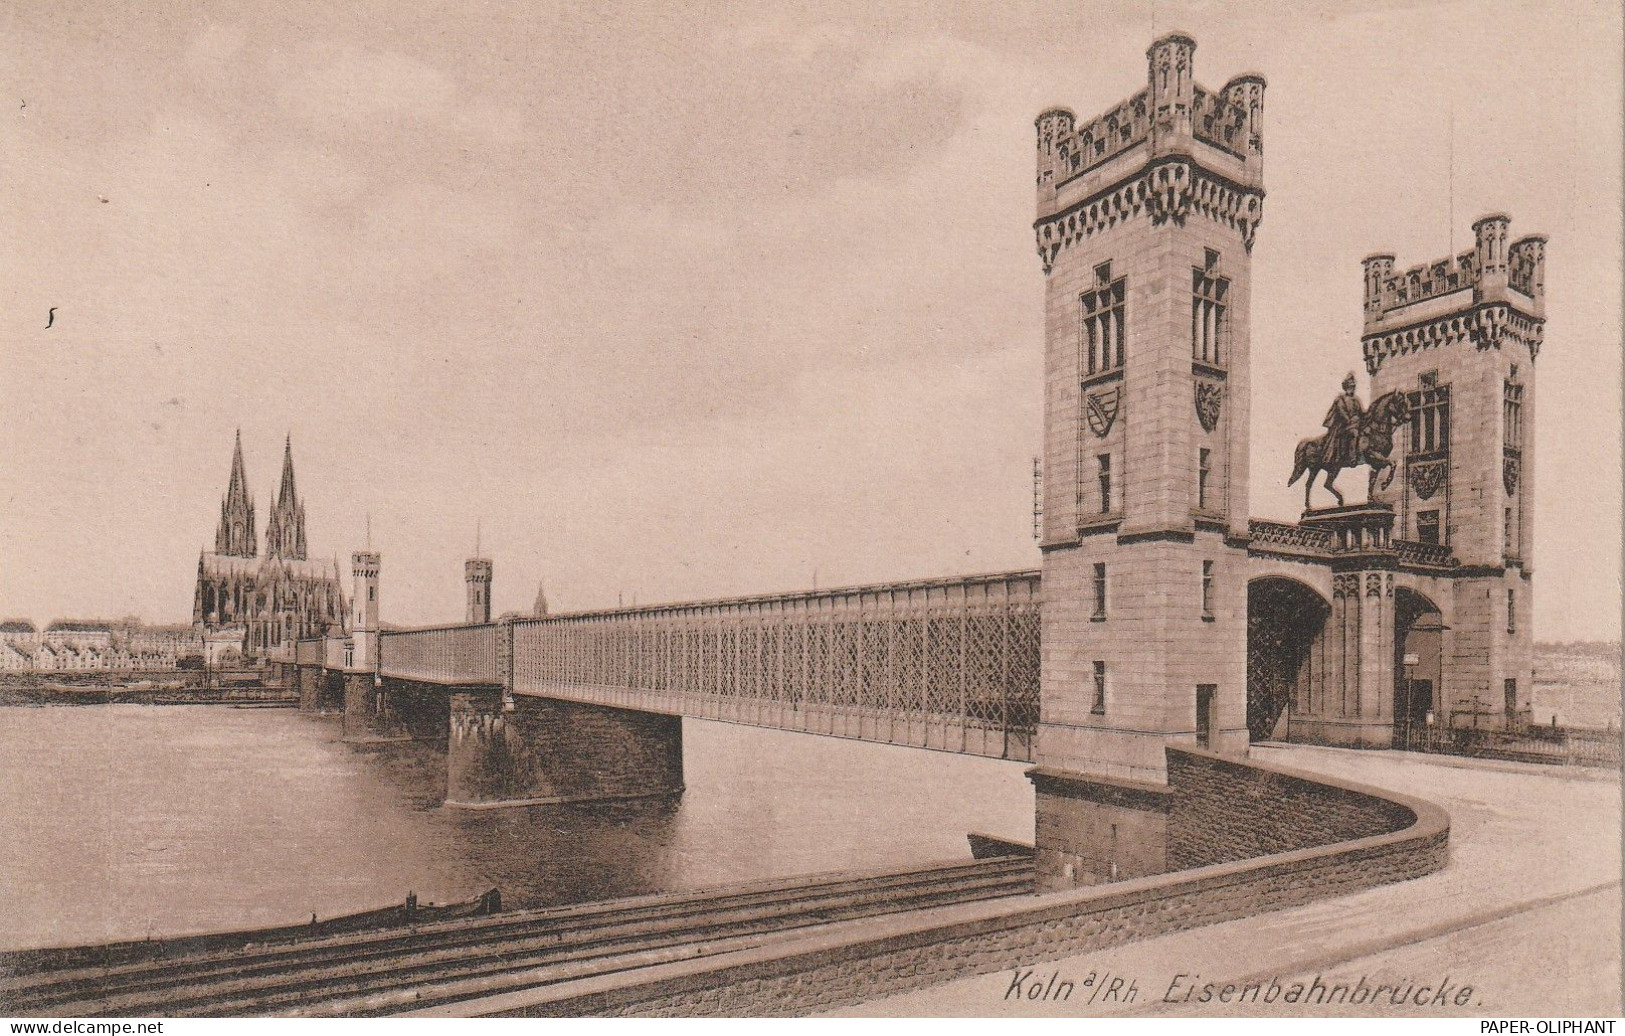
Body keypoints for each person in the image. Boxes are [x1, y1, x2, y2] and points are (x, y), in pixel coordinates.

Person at [1321, 372, 1365, 469]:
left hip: (1355, 424)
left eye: (1353, 387)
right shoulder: (1340, 399)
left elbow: (1361, 413)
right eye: (1350, 387)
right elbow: (1342, 413)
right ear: (1346, 387)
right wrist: (1351, 420)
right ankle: (1352, 458)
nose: (1352, 389)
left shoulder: (1356, 400)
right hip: (1343, 426)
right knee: (1354, 433)